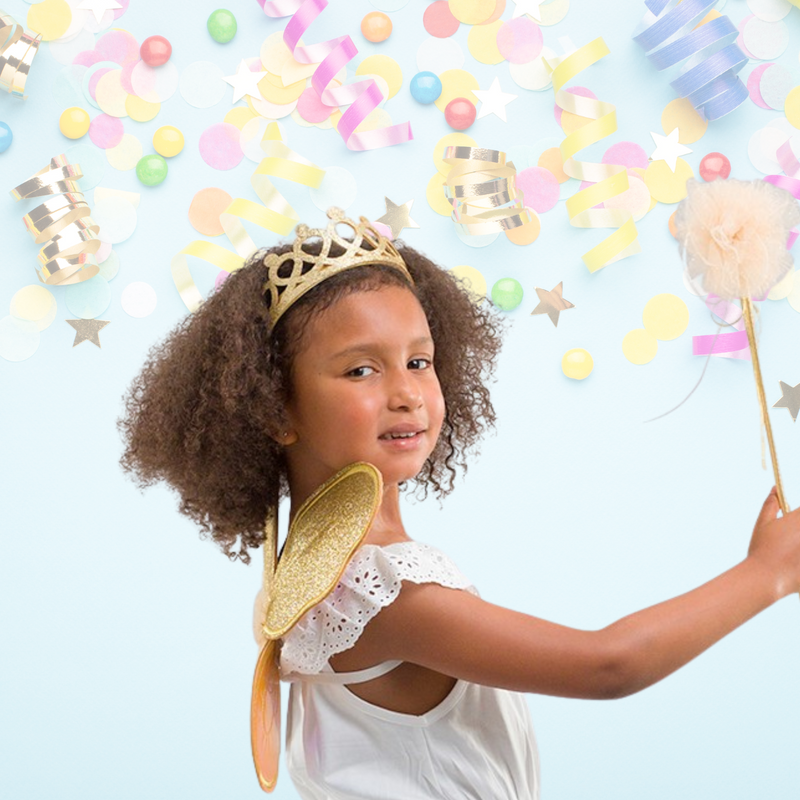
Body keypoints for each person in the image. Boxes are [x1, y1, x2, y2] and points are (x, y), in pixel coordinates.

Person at [118, 208, 800, 800]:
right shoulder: (383, 594)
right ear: (275, 408)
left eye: (420, 360)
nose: (408, 391)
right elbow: (609, 664)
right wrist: (765, 573)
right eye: (361, 369)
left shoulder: (308, 575)